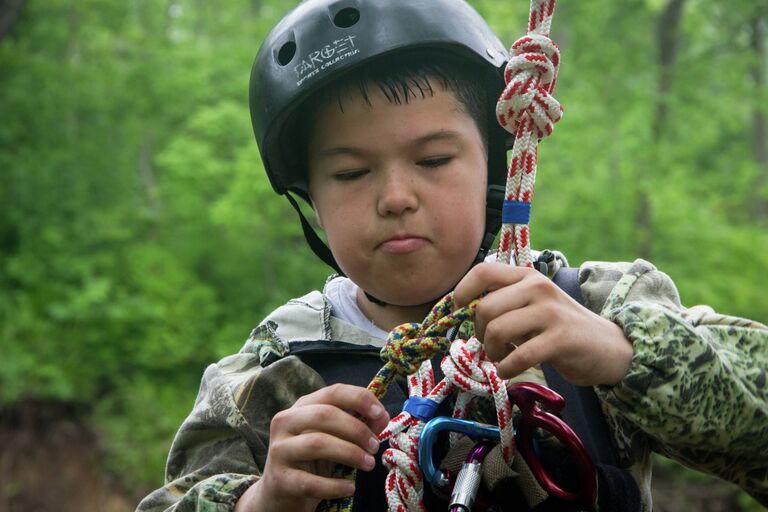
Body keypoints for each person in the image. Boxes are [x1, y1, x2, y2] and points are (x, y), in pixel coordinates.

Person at [136, 1, 768, 511]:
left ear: (493, 165)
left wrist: (621, 355)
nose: (396, 197)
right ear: (310, 201)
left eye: (434, 161)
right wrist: (261, 501)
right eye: (352, 173)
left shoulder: (598, 309)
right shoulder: (267, 378)